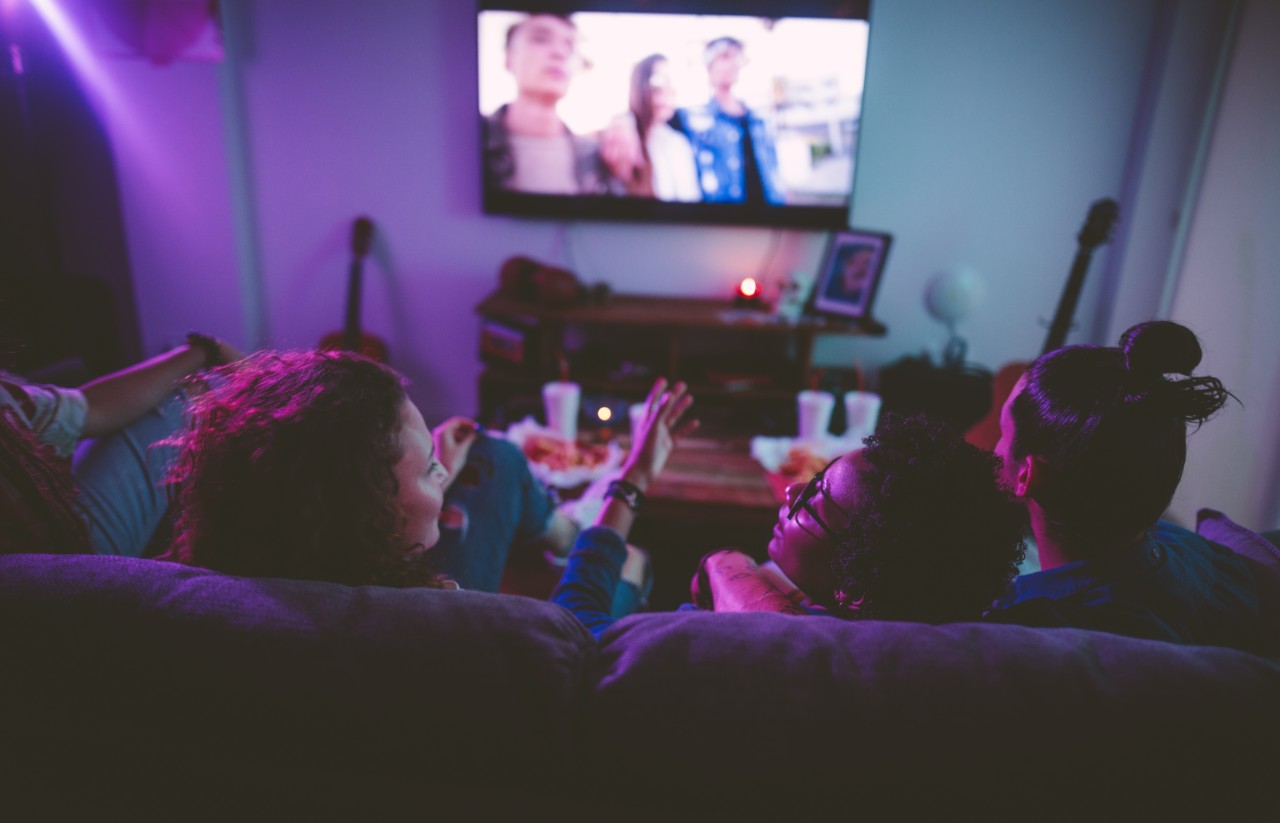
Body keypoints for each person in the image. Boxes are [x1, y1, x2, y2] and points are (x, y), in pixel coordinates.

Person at [165, 350, 645, 609]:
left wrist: (433, 465)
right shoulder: (442, 617)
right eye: (428, 467)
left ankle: (558, 528)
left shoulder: (224, 579)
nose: (441, 470)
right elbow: (575, 630)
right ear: (368, 515)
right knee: (632, 565)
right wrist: (626, 490)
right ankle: (573, 532)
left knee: (493, 452)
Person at [554, 412, 1026, 636]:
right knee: (634, 564)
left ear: (855, 587)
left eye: (815, 502)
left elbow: (574, 630)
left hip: (610, 627)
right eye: (813, 480)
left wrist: (631, 482)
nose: (790, 492)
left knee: (624, 561)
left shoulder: (711, 644)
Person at [983, 320, 1262, 650]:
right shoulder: (1200, 554)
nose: (993, 447)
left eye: (1003, 431)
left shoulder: (1023, 623)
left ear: (1026, 476)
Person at [0, 332, 241, 556]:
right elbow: (93, 410)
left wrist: (202, 350)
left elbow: (87, 409)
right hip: (60, 552)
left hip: (44, 525)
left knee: (75, 371)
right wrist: (206, 351)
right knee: (200, 395)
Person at [483, 12, 622, 196]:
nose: (560, 52)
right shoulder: (468, 142)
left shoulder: (599, 159)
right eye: (541, 39)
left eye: (570, 46)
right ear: (508, 58)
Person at [674, 36, 784, 205]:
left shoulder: (759, 119)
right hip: (723, 224)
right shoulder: (693, 118)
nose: (733, 63)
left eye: (736, 57)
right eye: (725, 57)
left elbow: (774, 173)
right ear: (709, 65)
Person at [608, 54, 700, 201]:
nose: (665, 92)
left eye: (671, 83)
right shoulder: (624, 135)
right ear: (640, 85)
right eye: (658, 82)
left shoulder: (679, 142)